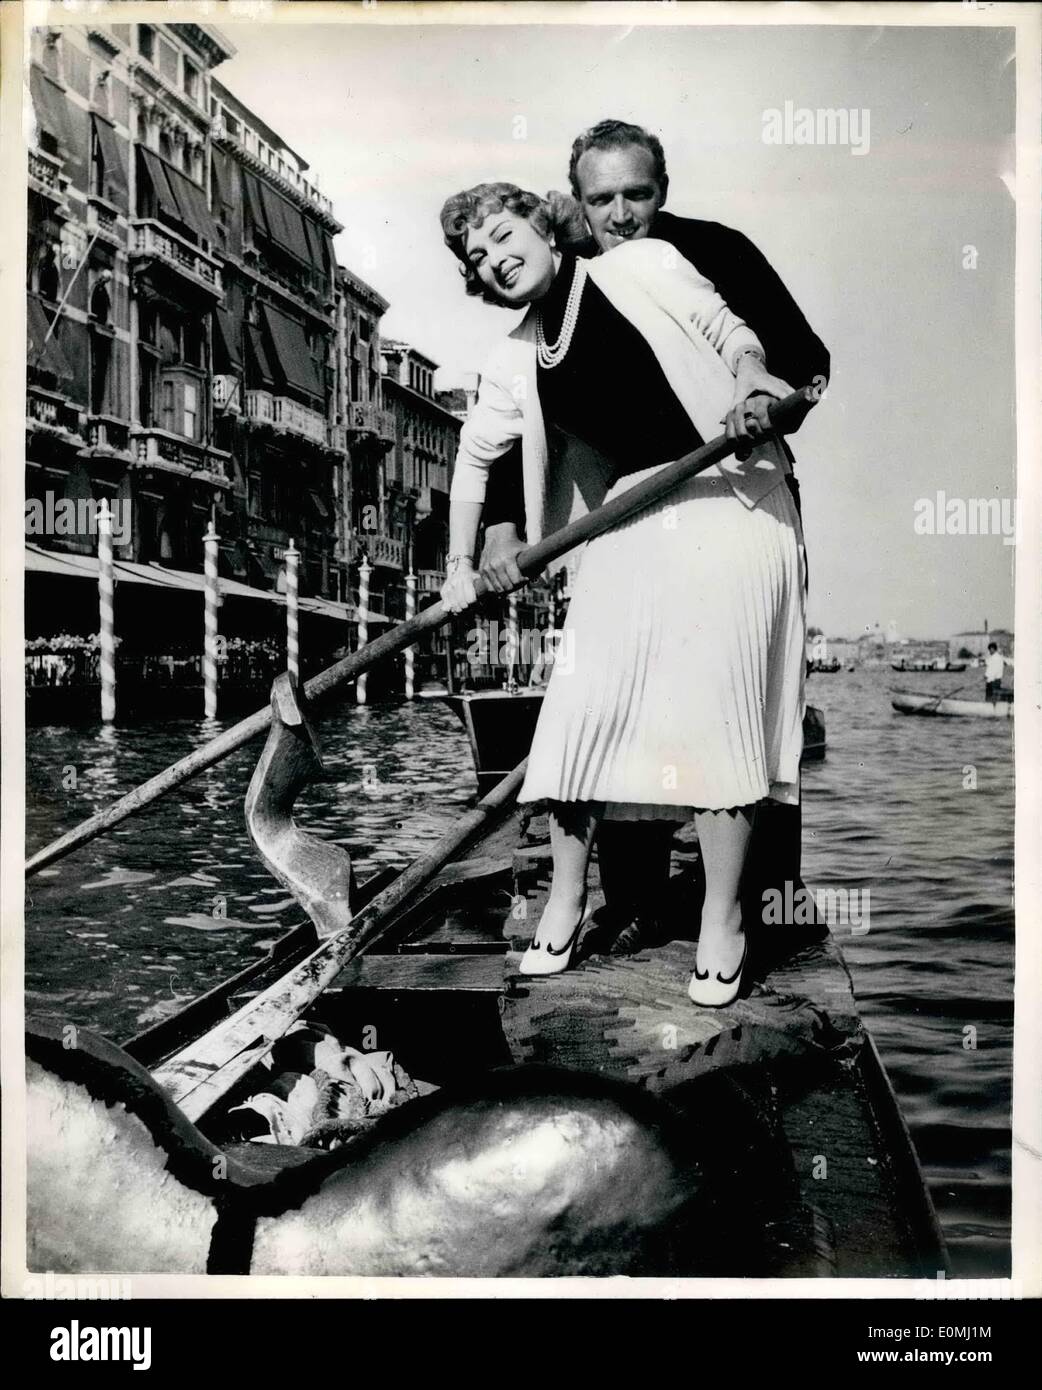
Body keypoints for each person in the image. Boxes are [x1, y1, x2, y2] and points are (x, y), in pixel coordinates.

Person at [439, 182, 812, 1007]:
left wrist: (753, 383)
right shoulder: (515, 353)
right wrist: (459, 566)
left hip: (726, 492)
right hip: (628, 513)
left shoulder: (642, 264)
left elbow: (730, 331)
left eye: (504, 236)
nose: (496, 259)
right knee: (581, 713)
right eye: (477, 257)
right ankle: (567, 905)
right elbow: (474, 458)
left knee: (717, 717)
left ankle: (723, 922)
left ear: (543, 225)